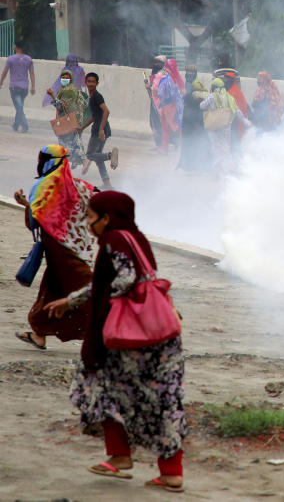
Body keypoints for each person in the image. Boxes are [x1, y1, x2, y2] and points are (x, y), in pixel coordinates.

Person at [45, 191, 187, 493]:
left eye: (90, 216)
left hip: (130, 338)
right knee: (163, 401)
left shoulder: (113, 241)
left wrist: (103, 306)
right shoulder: (137, 238)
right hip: (159, 333)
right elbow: (141, 277)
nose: (87, 223)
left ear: (107, 217)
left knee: (101, 385)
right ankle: (171, 473)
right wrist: (72, 301)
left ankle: (120, 456)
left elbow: (125, 279)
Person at [11, 145, 96, 350]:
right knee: (53, 289)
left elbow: (37, 220)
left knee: (88, 290)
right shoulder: (78, 185)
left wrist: (27, 205)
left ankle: (113, 330)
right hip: (74, 249)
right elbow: (96, 202)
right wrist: (26, 204)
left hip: (64, 252)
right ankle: (40, 332)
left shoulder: (45, 186)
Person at [79, 73, 119, 188]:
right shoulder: (92, 97)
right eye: (89, 81)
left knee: (90, 155)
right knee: (98, 158)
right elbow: (94, 116)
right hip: (101, 127)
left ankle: (110, 155)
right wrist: (82, 127)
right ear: (85, 83)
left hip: (99, 129)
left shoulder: (97, 96)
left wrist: (101, 129)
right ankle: (107, 183)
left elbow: (106, 111)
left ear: (97, 83)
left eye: (93, 82)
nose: (91, 84)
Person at [47, 70, 88, 166]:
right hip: (74, 120)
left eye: (66, 78)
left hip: (67, 121)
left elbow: (61, 107)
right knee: (74, 142)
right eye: (63, 78)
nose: (64, 80)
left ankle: (77, 161)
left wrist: (52, 95)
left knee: (67, 144)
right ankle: (77, 161)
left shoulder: (67, 91)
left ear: (70, 79)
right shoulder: (71, 89)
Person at [200, 78, 238, 174]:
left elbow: (202, 106)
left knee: (216, 147)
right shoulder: (228, 96)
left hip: (215, 125)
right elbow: (236, 110)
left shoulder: (212, 96)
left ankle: (219, 170)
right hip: (226, 125)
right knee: (226, 147)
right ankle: (230, 168)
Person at [177, 66, 211, 172]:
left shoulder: (196, 84)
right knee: (187, 141)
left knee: (194, 141)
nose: (189, 74)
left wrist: (187, 97)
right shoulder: (187, 83)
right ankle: (185, 164)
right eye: (188, 72)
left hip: (195, 118)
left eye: (192, 72)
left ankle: (195, 165)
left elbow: (202, 98)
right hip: (187, 118)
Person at [1, 40, 36, 132]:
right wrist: (33, 86)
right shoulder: (28, 59)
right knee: (19, 106)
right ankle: (16, 125)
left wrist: (1, 81)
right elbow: (32, 73)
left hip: (14, 87)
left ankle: (25, 126)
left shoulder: (11, 59)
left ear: (16, 47)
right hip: (24, 88)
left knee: (19, 107)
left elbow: (5, 72)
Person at [144, 56, 166, 149]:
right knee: (153, 123)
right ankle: (158, 143)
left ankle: (162, 144)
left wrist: (150, 86)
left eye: (158, 63)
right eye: (155, 62)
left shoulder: (164, 74)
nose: (155, 65)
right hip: (154, 102)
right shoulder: (154, 73)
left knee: (159, 123)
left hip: (160, 104)